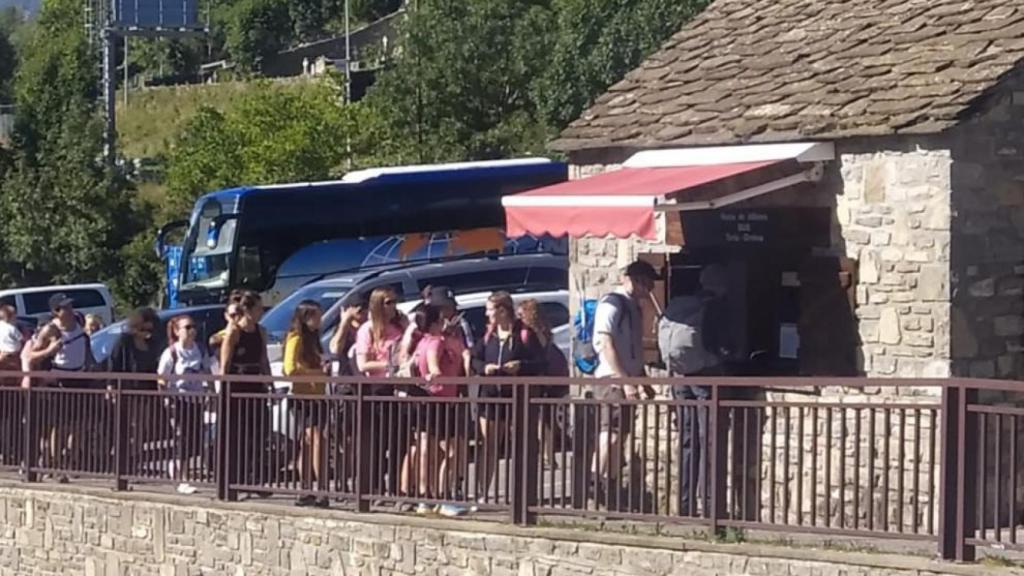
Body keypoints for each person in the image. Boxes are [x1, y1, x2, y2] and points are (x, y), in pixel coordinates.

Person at [590, 260, 658, 505]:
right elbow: (606, 344)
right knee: (611, 433)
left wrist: (642, 380)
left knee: (620, 436)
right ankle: (594, 481)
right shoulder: (612, 304)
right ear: (633, 280)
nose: (648, 290)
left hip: (625, 378)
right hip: (612, 379)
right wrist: (626, 381)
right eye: (646, 283)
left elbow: (633, 349)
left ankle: (609, 487)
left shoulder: (633, 307)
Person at [471, 291, 543, 501]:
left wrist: (521, 366)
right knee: (489, 446)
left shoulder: (525, 334)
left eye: (490, 310)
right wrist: (484, 368)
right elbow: (474, 359)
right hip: (491, 397)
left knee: (521, 446)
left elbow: (541, 363)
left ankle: (523, 497)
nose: (487, 314)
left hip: (517, 397)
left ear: (502, 311)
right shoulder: (488, 335)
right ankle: (482, 494)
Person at [403, 304, 468, 517]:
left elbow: (413, 363)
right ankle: (443, 497)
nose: (445, 323)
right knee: (452, 451)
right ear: (433, 324)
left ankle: (426, 497)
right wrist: (435, 372)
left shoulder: (421, 342)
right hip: (441, 400)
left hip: (427, 400)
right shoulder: (436, 342)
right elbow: (434, 366)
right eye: (441, 320)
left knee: (428, 449)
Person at [29, 294, 96, 478]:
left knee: (79, 425)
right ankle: (56, 464)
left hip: (80, 379)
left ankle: (72, 463)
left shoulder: (79, 324)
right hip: (59, 380)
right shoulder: (50, 330)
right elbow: (31, 356)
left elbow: (86, 351)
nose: (70, 310)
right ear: (56, 311)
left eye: (70, 306)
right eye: (65, 307)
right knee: (59, 427)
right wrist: (49, 350)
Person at [355, 287, 408, 501]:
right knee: (378, 442)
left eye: (394, 302)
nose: (393, 306)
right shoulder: (367, 330)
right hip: (377, 388)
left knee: (399, 441)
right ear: (378, 305)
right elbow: (363, 364)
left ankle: (397, 488)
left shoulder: (399, 327)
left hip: (399, 387)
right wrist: (389, 364)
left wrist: (406, 325)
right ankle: (375, 489)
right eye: (388, 302)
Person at [219, 292, 272, 497]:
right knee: (238, 434)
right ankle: (236, 479)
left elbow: (263, 359)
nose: (261, 312)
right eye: (258, 308)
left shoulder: (260, 331)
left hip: (255, 384)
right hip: (237, 386)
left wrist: (270, 383)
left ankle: (254, 478)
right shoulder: (234, 331)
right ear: (248, 310)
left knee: (257, 433)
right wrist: (223, 389)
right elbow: (225, 363)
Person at [158, 314, 213, 495]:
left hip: (196, 399)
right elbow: (162, 378)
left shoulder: (200, 350)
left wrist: (211, 392)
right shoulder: (171, 353)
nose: (192, 331)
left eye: (193, 327)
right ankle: (182, 478)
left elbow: (207, 371)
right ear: (177, 331)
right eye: (187, 327)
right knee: (183, 438)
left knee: (195, 438)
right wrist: (166, 399)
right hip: (178, 400)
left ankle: (176, 466)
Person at [284, 300, 330, 508]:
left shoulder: (314, 339)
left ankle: (306, 489)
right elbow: (290, 369)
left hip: (317, 395)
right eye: (316, 316)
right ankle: (320, 489)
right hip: (303, 397)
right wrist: (317, 373)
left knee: (309, 443)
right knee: (315, 439)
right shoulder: (296, 338)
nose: (320, 320)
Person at [517, 299, 569, 469]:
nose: (518, 318)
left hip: (545, 378)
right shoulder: (543, 330)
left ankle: (546, 455)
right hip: (551, 376)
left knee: (543, 420)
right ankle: (547, 455)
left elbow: (539, 355)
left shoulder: (535, 333)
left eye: (521, 314)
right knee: (545, 419)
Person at [109, 307, 161, 389]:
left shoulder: (153, 343)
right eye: (144, 330)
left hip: (149, 390)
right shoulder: (124, 341)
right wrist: (111, 385)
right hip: (127, 389)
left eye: (151, 330)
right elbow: (114, 364)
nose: (148, 334)